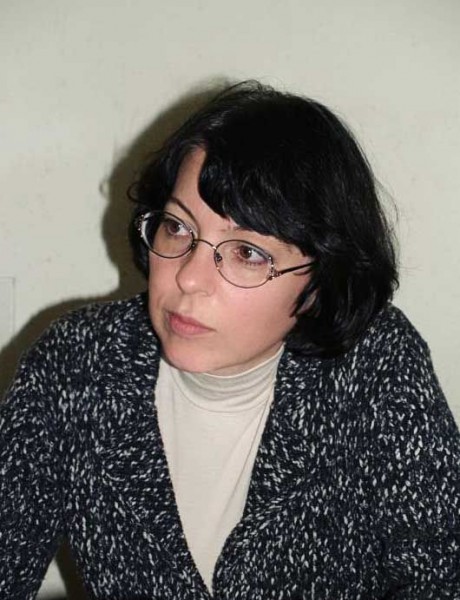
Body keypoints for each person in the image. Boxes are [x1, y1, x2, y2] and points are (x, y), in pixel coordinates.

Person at [1, 81, 459, 600]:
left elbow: (442, 574)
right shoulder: (75, 365)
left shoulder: (375, 365)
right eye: (177, 227)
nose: (188, 278)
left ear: (319, 282)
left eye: (247, 252)